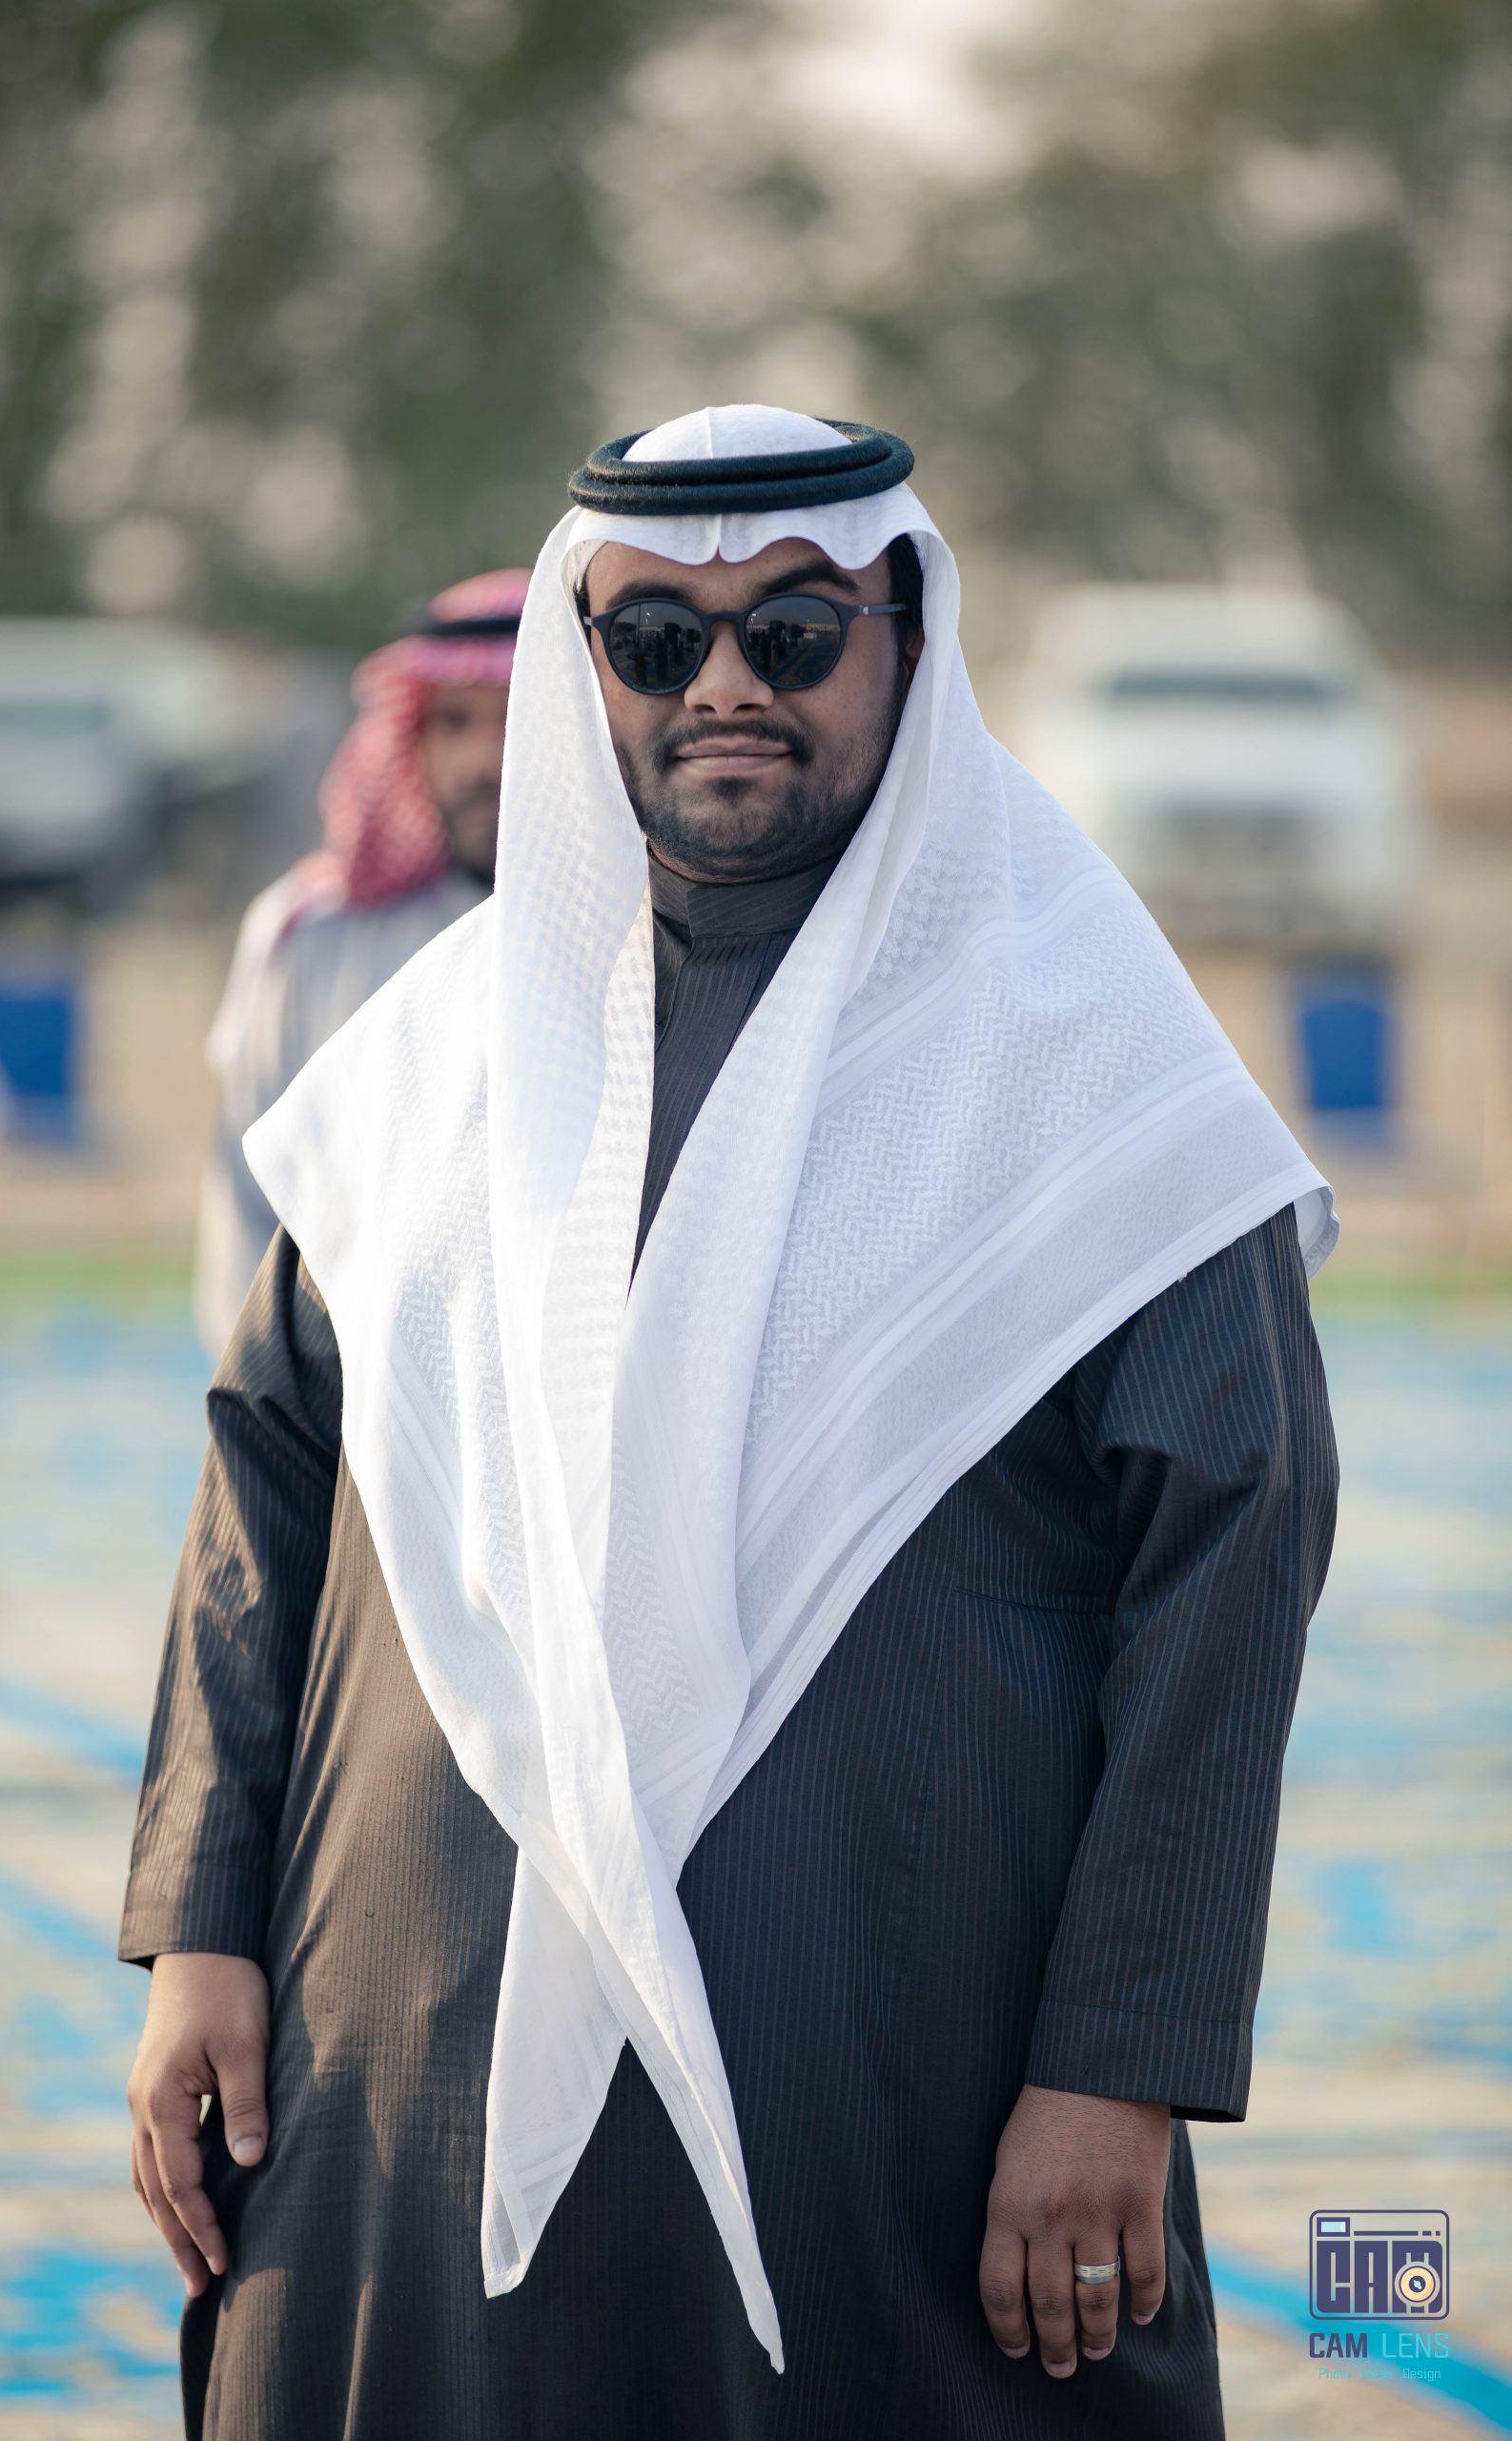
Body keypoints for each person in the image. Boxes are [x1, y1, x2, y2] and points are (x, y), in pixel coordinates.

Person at [122, 406, 1339, 2440]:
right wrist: (195, 1934)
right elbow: (259, 1498)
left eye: (790, 632)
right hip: (391, 2067)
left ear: (903, 642)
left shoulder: (1087, 1059)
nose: (721, 688)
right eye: (652, 640)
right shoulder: (430, 1060)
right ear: (579, 664)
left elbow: (1230, 1558)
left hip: (909, 2089)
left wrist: (1119, 2062)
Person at [192, 567, 528, 1356]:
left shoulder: (646, 928)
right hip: (347, 1377)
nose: (486, 760)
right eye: (453, 722)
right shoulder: (314, 933)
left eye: (519, 717)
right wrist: (260, 1383)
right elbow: (250, 1188)